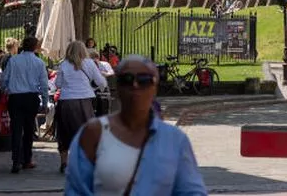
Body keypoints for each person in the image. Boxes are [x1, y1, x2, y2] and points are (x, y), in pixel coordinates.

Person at [65, 55, 206, 195]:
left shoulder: (175, 140)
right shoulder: (92, 135)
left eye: (144, 80)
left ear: (154, 88)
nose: (135, 86)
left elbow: (192, 191)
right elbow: (77, 190)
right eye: (126, 80)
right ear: (117, 87)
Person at [56, 40, 110, 172]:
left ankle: (64, 162)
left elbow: (58, 84)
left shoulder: (63, 64)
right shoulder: (89, 63)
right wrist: (99, 86)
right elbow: (100, 81)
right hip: (85, 101)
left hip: (67, 101)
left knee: (64, 131)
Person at [1, 35, 50, 174]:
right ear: (35, 47)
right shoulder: (39, 63)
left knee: (16, 129)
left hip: (15, 97)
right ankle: (27, 159)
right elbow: (44, 84)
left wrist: (5, 89)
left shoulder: (14, 60)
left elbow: (5, 78)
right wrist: (45, 102)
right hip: (31, 97)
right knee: (29, 130)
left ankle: (16, 160)